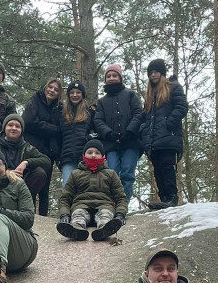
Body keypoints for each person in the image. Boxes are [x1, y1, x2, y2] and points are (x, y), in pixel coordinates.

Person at [139, 59, 188, 210]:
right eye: (151, 73)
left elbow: (182, 106)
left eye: (156, 72)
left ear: (162, 73)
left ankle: (172, 198)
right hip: (153, 140)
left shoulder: (173, 87)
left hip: (168, 137)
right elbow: (144, 117)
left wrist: (168, 123)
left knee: (167, 167)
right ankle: (164, 199)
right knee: (158, 170)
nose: (153, 75)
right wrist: (144, 132)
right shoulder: (149, 95)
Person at [57, 139, 127, 242]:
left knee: (105, 215)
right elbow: (65, 197)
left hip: (104, 205)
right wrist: (65, 214)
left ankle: (104, 230)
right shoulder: (75, 174)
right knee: (78, 215)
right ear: (84, 155)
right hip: (81, 205)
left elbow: (121, 197)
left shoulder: (110, 174)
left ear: (103, 156)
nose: (93, 155)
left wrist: (120, 214)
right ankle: (76, 230)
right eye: (90, 152)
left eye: (97, 153)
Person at [93, 64, 143, 200]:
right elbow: (98, 121)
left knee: (128, 173)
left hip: (131, 141)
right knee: (112, 173)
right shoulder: (102, 101)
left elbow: (138, 114)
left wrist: (129, 132)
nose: (111, 78)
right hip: (110, 144)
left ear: (120, 77)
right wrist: (109, 134)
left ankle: (124, 204)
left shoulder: (130, 95)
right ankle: (113, 204)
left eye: (114, 75)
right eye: (108, 76)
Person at [0, 114, 52, 207]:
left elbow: (47, 161)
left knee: (40, 173)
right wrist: (8, 173)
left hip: (22, 185)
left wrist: (26, 162)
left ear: (22, 130)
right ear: (4, 128)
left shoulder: (27, 147)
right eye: (10, 125)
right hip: (1, 183)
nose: (14, 128)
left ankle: (27, 204)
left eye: (17, 126)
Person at [22, 79, 63, 215]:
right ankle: (30, 215)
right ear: (45, 87)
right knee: (33, 181)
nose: (52, 91)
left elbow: (61, 129)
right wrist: (52, 129)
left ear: (59, 93)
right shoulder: (34, 101)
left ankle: (44, 217)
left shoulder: (58, 108)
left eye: (56, 89)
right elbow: (29, 122)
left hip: (48, 152)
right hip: (31, 149)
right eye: (50, 87)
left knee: (45, 187)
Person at [55, 81, 95, 186]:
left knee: (86, 188)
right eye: (72, 92)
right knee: (67, 188)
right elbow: (57, 137)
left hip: (85, 157)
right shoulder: (61, 113)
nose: (75, 95)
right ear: (68, 95)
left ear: (82, 95)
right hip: (67, 157)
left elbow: (96, 133)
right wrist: (57, 157)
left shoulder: (89, 112)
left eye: (78, 92)